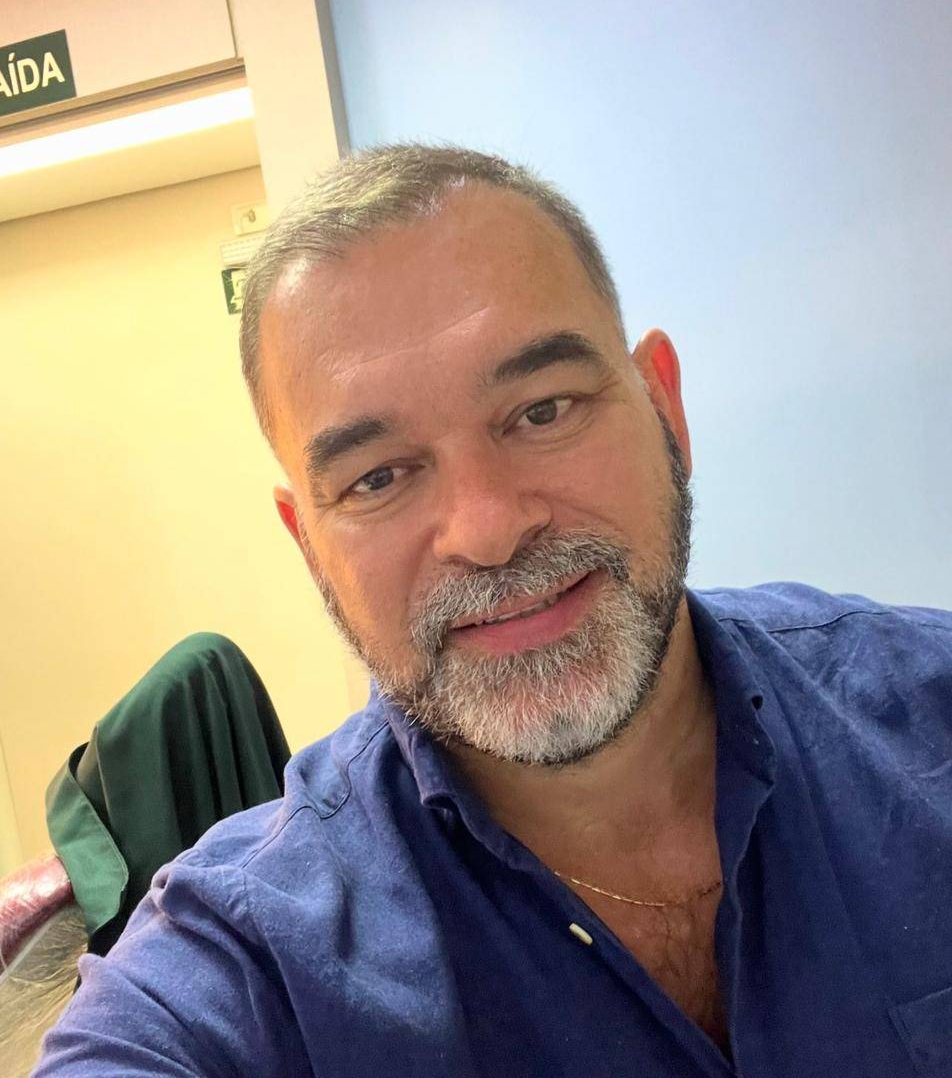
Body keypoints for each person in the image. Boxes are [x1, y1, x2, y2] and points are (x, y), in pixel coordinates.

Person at [35, 145, 952, 1077]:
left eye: (543, 411)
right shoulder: (242, 962)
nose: (487, 530)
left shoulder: (933, 714)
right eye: (378, 477)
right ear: (310, 547)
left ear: (664, 409)